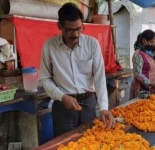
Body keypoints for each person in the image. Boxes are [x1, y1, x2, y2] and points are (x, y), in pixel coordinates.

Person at [39, 2, 115, 137]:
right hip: (63, 106)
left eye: (79, 29)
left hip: (88, 103)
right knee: (66, 142)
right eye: (69, 30)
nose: (75, 34)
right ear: (59, 27)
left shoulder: (92, 44)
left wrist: (103, 107)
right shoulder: (49, 46)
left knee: (90, 140)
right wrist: (62, 97)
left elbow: (99, 77)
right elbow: (45, 78)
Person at [130, 29, 155, 99]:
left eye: (154, 42)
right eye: (151, 42)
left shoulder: (150, 53)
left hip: (151, 88)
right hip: (141, 89)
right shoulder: (138, 54)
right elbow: (137, 74)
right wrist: (149, 83)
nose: (153, 45)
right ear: (144, 41)